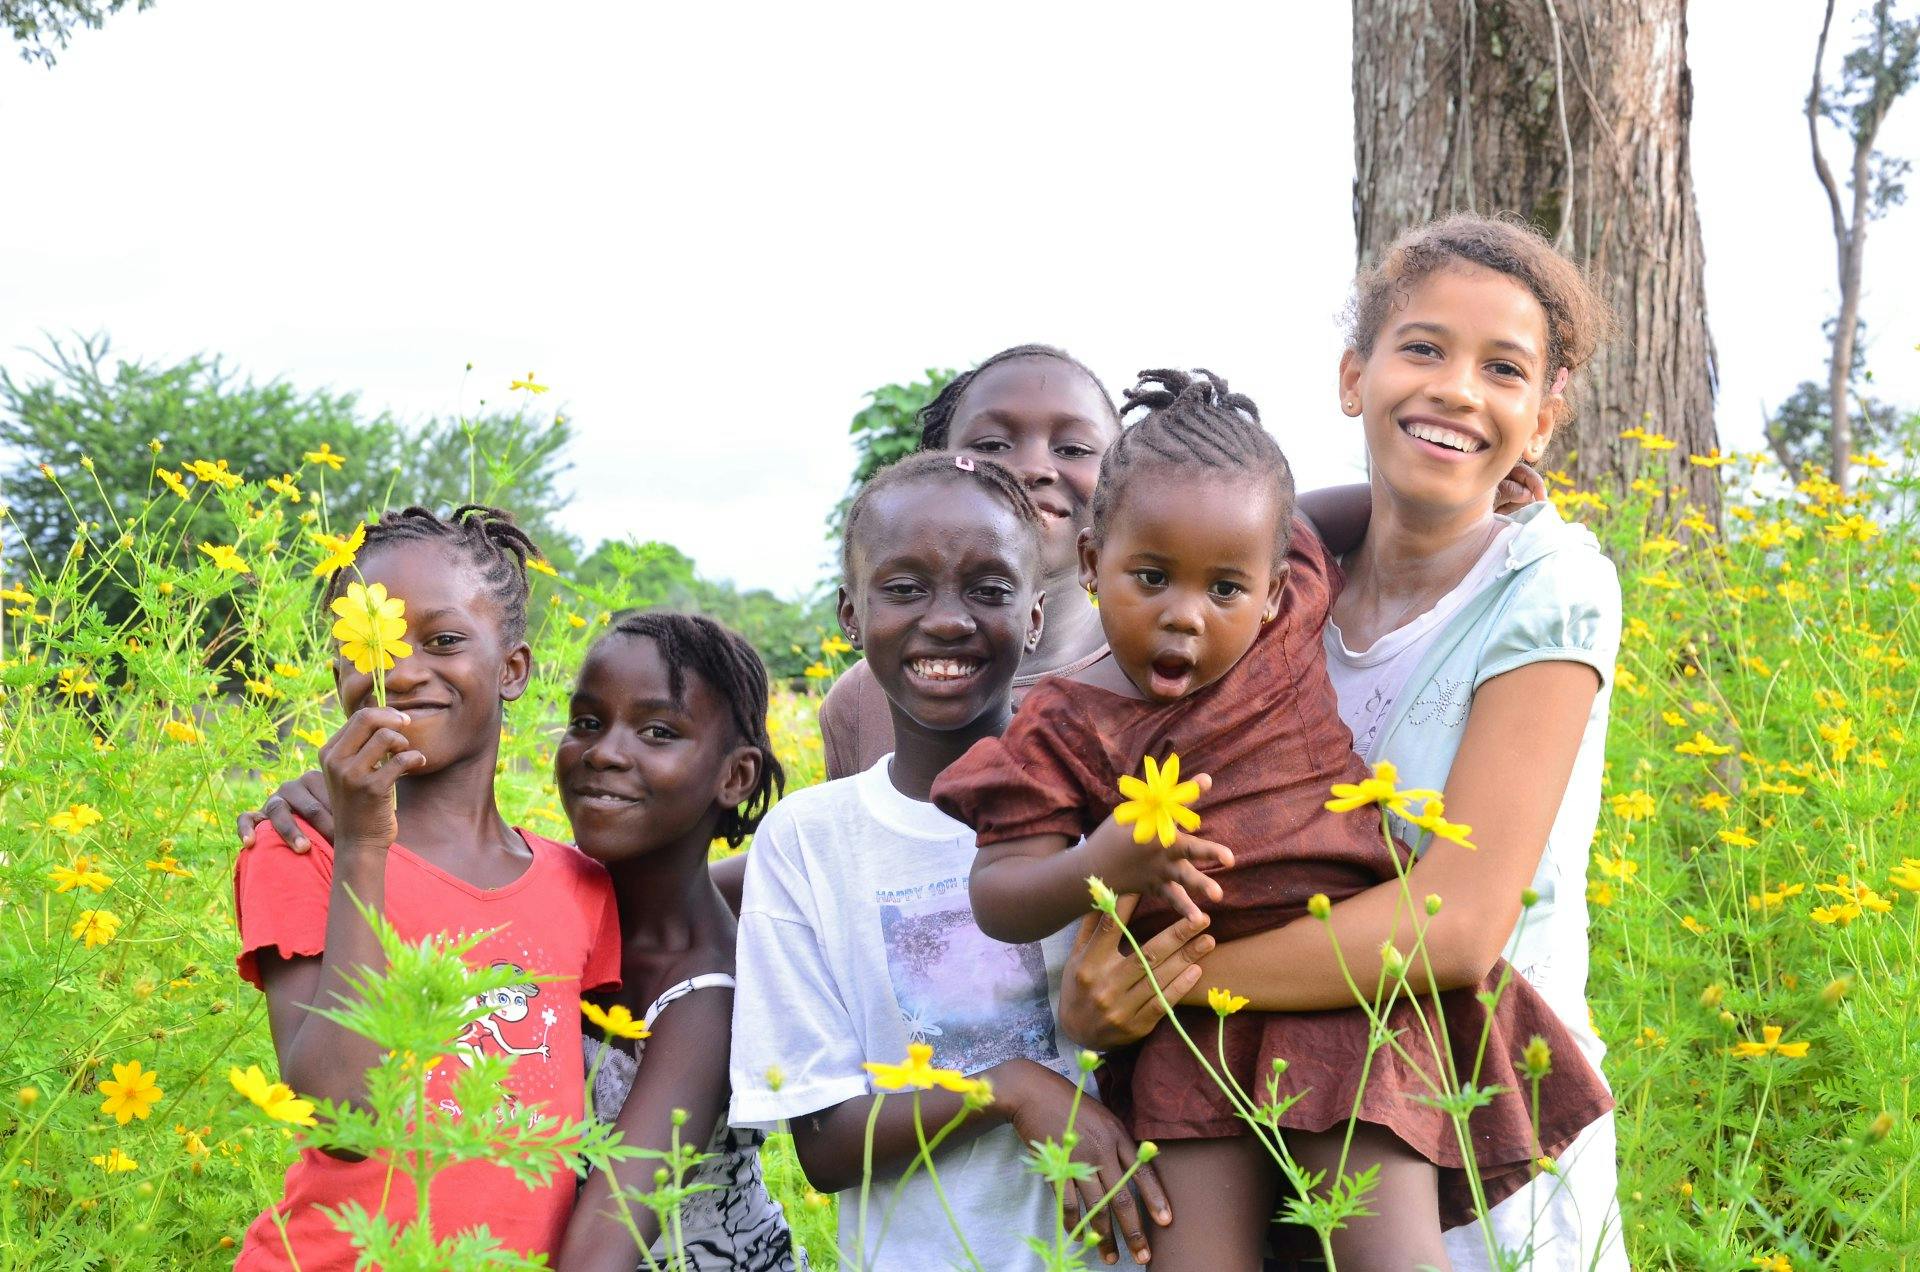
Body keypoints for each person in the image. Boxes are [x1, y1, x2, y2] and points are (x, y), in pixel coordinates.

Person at [933, 370, 1610, 1269]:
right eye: (1149, 577)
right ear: (1091, 563)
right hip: (1187, 1031)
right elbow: (1000, 894)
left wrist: (1469, 493)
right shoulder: (1060, 723)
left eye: (1224, 588)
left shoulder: (1283, 624)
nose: (1185, 616)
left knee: (1389, 1255)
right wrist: (1103, 862)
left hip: (1348, 998)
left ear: (1274, 589)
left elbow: (1319, 521)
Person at [1057, 214, 1628, 1271]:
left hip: (1460, 1118)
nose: (1457, 389)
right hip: (1247, 1111)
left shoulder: (1550, 584)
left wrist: (1165, 989)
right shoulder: (1272, 594)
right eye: (1424, 348)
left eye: (1503, 369)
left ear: (1543, 423)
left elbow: (1455, 927)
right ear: (1353, 377)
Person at [728, 452, 1164, 1270]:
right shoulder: (809, 843)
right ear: (851, 614)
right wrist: (1010, 1089)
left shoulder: (1113, 809)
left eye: (989, 590)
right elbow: (824, 1147)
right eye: (904, 588)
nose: (948, 620)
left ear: (1035, 616)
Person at [231, 506, 623, 1270]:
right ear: (341, 677)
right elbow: (344, 1115)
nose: (404, 672)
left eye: (444, 641)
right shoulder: (299, 850)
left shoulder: (582, 887)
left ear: (513, 669)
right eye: (372, 650)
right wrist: (364, 844)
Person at [554, 611, 803, 1272]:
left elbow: (598, 1257)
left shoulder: (703, 997)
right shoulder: (552, 903)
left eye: (658, 732)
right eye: (587, 722)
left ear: (736, 777)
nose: (604, 752)